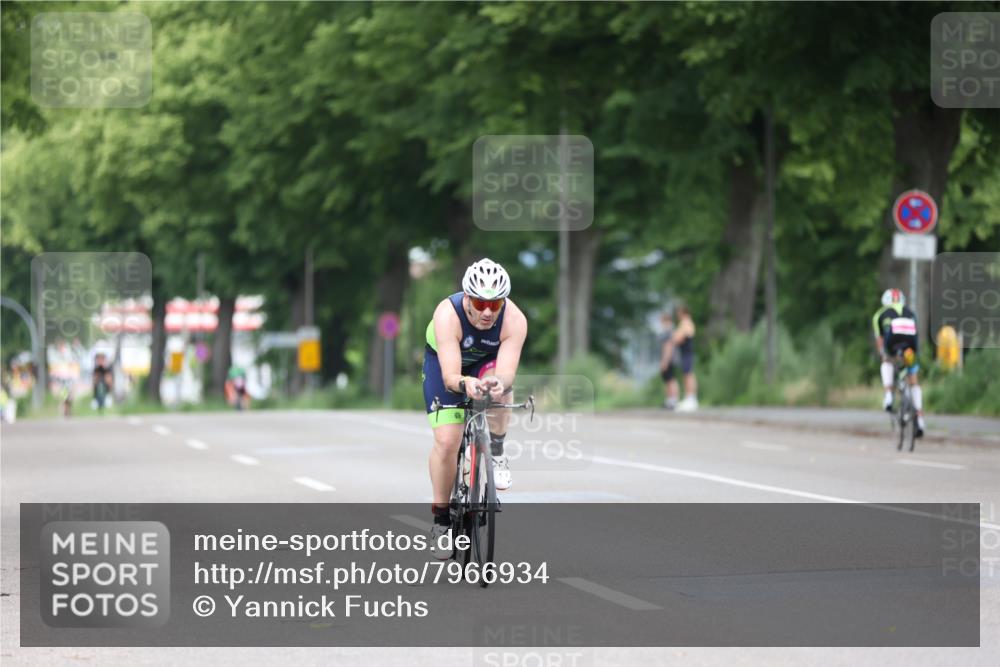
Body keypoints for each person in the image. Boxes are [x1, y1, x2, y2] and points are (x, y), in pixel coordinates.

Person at [422, 258, 527, 559]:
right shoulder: (447, 314)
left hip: (486, 363)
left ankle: (497, 449)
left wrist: (496, 383)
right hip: (447, 364)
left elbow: (506, 372)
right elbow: (451, 376)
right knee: (447, 441)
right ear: (467, 297)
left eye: (494, 305)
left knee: (501, 388)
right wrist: (464, 383)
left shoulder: (515, 320)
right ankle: (441, 519)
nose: (486, 312)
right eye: (480, 303)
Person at [872, 288, 925, 437]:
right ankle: (920, 419)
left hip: (893, 342)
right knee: (913, 380)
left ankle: (888, 395)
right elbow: (915, 334)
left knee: (887, 361)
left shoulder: (880, 314)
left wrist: (884, 354)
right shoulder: (910, 312)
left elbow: (880, 340)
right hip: (910, 345)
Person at [661, 302, 697, 412]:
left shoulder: (686, 322)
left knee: (688, 374)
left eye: (678, 313)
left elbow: (677, 338)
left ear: (683, 312)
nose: (677, 315)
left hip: (687, 353)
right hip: (684, 353)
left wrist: (674, 337)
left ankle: (691, 398)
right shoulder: (684, 323)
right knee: (686, 374)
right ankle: (688, 397)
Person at [658, 311, 680, 409]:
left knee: (671, 379)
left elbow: (668, 347)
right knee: (667, 379)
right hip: (669, 358)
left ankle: (674, 399)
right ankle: (670, 399)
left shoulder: (668, 332)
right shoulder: (670, 331)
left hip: (669, 358)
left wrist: (665, 361)